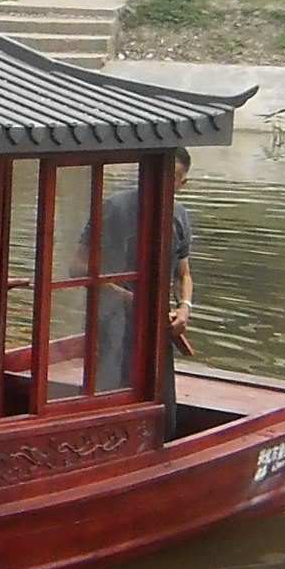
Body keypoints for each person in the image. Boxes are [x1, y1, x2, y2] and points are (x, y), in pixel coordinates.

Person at [88, 152, 196, 397]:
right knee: (112, 394)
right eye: (155, 174)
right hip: (113, 320)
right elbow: (81, 267)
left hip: (156, 324)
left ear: (182, 184)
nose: (160, 182)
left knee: (160, 398)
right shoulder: (115, 208)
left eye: (170, 178)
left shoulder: (179, 215)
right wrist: (128, 298)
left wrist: (184, 307)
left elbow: (182, 274)